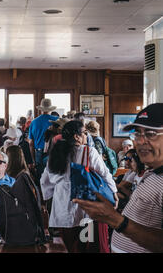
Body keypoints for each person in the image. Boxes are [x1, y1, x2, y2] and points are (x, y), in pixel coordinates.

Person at [74, 103, 163, 253]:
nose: (140, 141)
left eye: (150, 134)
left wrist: (116, 220)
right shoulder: (153, 173)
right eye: (137, 134)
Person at [40, 120, 118, 253]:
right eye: (85, 133)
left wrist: (47, 197)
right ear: (76, 136)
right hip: (85, 209)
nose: (87, 136)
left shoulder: (55, 153)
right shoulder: (88, 152)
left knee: (71, 247)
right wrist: (114, 192)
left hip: (62, 209)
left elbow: (45, 181)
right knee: (86, 245)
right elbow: (105, 174)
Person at [28, 98, 59, 182]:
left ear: (41, 109)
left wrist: (33, 160)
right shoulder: (56, 120)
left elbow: (31, 143)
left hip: (38, 152)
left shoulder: (34, 122)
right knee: (54, 177)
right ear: (50, 109)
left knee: (40, 178)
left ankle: (40, 194)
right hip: (53, 151)